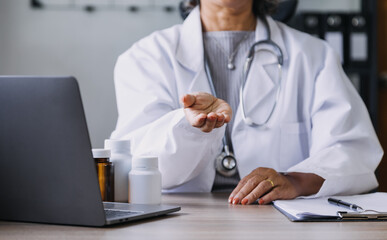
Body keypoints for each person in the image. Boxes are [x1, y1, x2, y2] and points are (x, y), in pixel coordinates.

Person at [110, 0, 383, 205]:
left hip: (279, 223)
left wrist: (295, 180)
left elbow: (352, 149)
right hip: (180, 221)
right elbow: (135, 162)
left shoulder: (314, 56)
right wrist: (187, 126)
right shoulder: (145, 58)